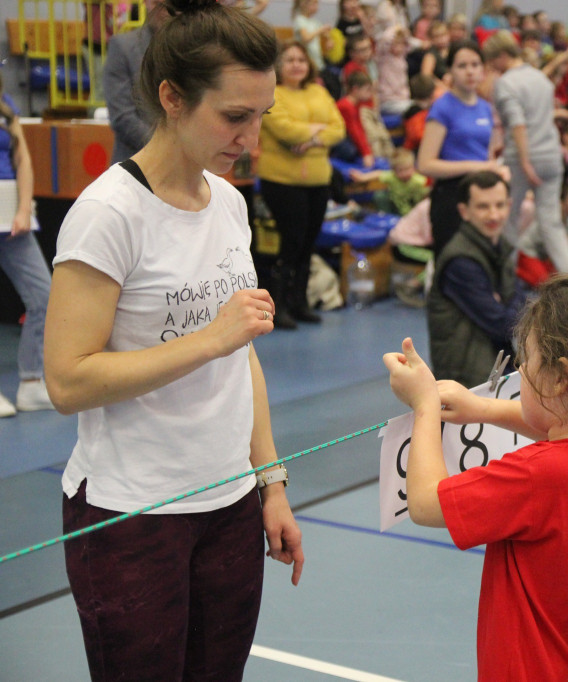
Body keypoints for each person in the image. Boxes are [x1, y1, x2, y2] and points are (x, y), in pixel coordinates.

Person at [44, 1, 304, 678]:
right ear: (171, 97)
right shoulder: (107, 214)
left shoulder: (228, 203)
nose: (250, 139)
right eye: (234, 117)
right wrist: (210, 340)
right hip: (132, 515)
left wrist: (269, 482)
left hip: (229, 509)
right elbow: (67, 381)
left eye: (261, 116)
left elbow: (240, 356)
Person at [383, 273, 568, 681]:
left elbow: (426, 502)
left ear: (560, 376)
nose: (522, 367)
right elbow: (565, 424)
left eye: (526, 360)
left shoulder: (539, 474)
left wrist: (423, 404)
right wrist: (482, 409)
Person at [259, 40, 346, 328]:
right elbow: (284, 129)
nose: (296, 64)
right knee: (290, 244)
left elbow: (339, 128)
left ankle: (300, 302)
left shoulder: (319, 91)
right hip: (283, 181)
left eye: (301, 60)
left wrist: (311, 139)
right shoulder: (270, 94)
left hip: (318, 180)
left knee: (308, 245)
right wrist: (315, 132)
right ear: (277, 66)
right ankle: (279, 306)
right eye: (289, 59)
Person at [483, 30, 568, 275]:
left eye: (492, 60)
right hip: (551, 154)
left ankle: (505, 281)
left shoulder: (505, 84)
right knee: (551, 223)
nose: (491, 67)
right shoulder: (540, 78)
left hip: (524, 158)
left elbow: (518, 124)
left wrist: (524, 162)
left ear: (502, 56)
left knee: (508, 220)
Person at [426, 171, 524, 386]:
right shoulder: (460, 261)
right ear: (464, 211)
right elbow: (504, 325)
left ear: (509, 206)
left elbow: (519, 297)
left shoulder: (499, 248)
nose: (493, 215)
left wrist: (510, 303)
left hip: (496, 364)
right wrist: (511, 304)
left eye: (499, 205)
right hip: (469, 378)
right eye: (483, 206)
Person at [0, 73, 54, 416]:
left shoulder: (7, 109)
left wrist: (23, 207)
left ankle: (32, 382)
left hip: (10, 218)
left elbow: (23, 160)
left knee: (44, 295)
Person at [417, 41, 502, 256]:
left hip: (480, 197)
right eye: (462, 66)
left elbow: (488, 154)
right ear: (451, 71)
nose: (470, 71)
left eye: (475, 65)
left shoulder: (485, 107)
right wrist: (474, 166)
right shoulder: (442, 107)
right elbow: (425, 164)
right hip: (450, 197)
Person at [102, 0, 170, 163]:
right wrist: (169, 148)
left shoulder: (192, 50)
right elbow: (123, 118)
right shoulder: (122, 47)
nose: (164, 11)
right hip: (134, 165)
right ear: (147, 3)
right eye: (158, 4)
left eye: (170, 5)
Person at [349, 147, 430, 215]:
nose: (405, 173)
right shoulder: (392, 177)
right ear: (394, 171)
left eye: (408, 169)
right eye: (400, 171)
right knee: (380, 196)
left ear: (414, 167)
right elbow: (378, 173)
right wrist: (362, 177)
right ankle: (385, 217)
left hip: (414, 210)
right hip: (398, 208)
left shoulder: (420, 181)